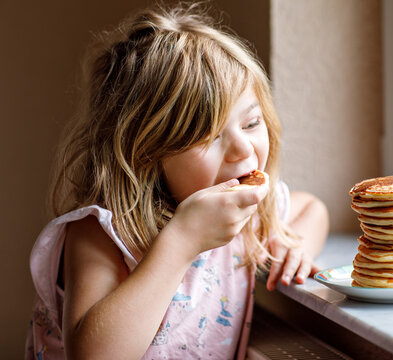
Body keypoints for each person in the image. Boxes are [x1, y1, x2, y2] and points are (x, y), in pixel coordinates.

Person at [25, 3, 329, 359]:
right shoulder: (103, 233)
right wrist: (181, 242)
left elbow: (312, 209)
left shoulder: (246, 215)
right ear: (147, 154)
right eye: (208, 137)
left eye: (250, 124)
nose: (243, 149)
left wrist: (296, 247)